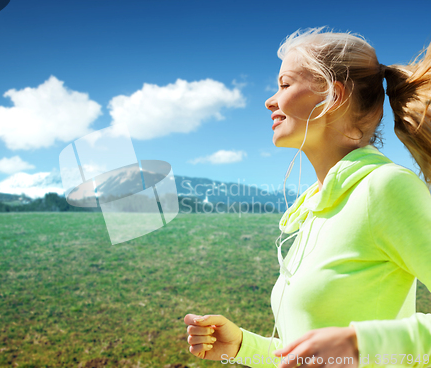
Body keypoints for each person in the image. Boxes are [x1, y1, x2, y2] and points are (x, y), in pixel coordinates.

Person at [184, 27, 431, 368]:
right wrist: (241, 346)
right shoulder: (319, 205)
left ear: (334, 96)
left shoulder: (384, 188)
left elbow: (350, 351)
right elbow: (311, 357)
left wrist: (364, 345)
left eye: (285, 84)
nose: (271, 100)